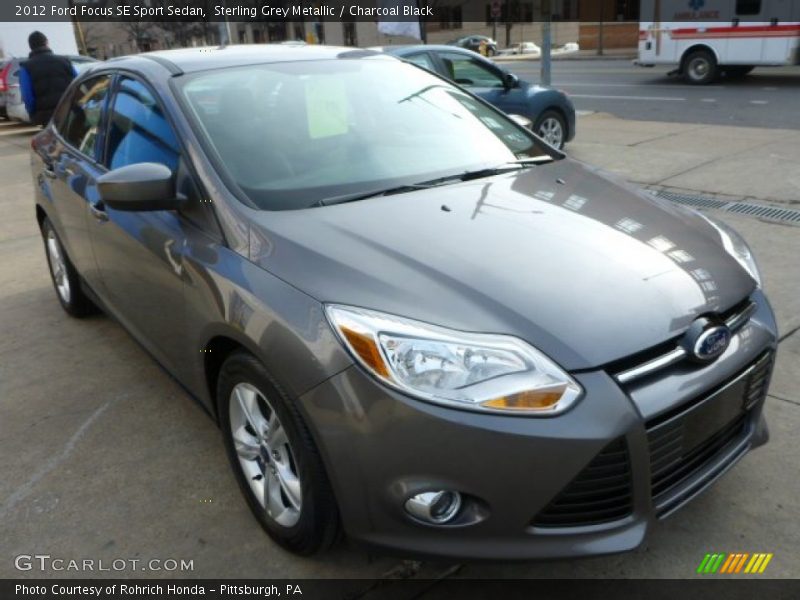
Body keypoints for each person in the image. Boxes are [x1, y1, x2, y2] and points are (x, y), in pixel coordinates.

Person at [19, 31, 77, 126]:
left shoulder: (26, 67)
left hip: (46, 116)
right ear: (46, 43)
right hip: (69, 110)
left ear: (30, 47)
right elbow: (77, 83)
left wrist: (33, 112)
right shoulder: (64, 61)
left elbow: (27, 96)